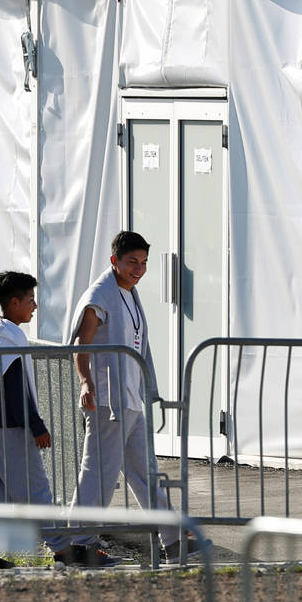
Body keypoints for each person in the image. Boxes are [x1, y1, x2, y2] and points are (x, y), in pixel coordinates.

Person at [68, 231, 208, 565]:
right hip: (107, 402)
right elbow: (80, 344)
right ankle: (78, 545)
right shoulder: (100, 293)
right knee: (99, 474)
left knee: (145, 474)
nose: (139, 269)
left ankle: (173, 542)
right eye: (132, 262)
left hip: (131, 400)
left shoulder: (129, 292)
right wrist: (86, 382)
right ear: (114, 260)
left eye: (144, 263)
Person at [0, 272, 77, 568]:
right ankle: (63, 550)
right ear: (14, 303)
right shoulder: (7, 340)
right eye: (30, 300)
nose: (35, 306)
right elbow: (16, 391)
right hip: (11, 427)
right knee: (35, 488)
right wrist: (36, 425)